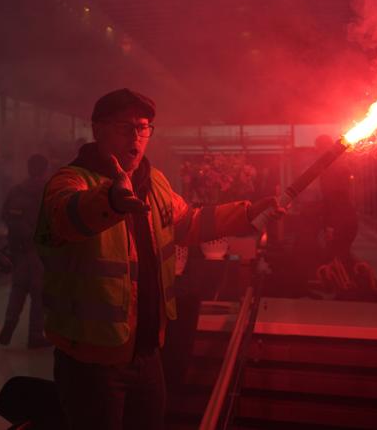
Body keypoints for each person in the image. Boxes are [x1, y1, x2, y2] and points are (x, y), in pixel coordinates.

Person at [35, 89, 283, 430]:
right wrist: (111, 200)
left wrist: (247, 213)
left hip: (147, 353)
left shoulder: (155, 183)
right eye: (125, 127)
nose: (136, 137)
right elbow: (66, 216)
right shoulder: (71, 181)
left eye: (143, 127)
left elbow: (189, 223)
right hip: (91, 361)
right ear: (98, 130)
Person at [0, 153, 50, 348]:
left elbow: (4, 215)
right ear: (45, 170)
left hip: (18, 249)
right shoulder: (47, 191)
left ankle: (9, 323)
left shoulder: (16, 191)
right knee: (39, 294)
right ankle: (35, 335)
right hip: (38, 250)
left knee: (18, 288)